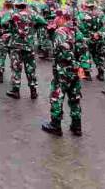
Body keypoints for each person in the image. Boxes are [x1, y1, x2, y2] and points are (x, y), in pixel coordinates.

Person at [41, 9, 90, 137]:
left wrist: (72, 65)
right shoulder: (77, 31)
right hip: (76, 71)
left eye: (57, 17)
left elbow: (63, 51)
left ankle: (55, 125)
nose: (55, 19)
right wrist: (82, 69)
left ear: (63, 18)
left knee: (57, 96)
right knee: (75, 98)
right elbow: (84, 51)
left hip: (63, 70)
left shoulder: (60, 32)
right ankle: (76, 126)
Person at [4, 0, 46, 100]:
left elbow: (4, 24)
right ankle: (33, 91)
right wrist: (33, 28)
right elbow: (43, 22)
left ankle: (16, 90)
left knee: (16, 68)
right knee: (30, 68)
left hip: (16, 45)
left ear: (16, 5)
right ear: (26, 5)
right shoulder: (32, 14)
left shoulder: (13, 14)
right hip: (29, 45)